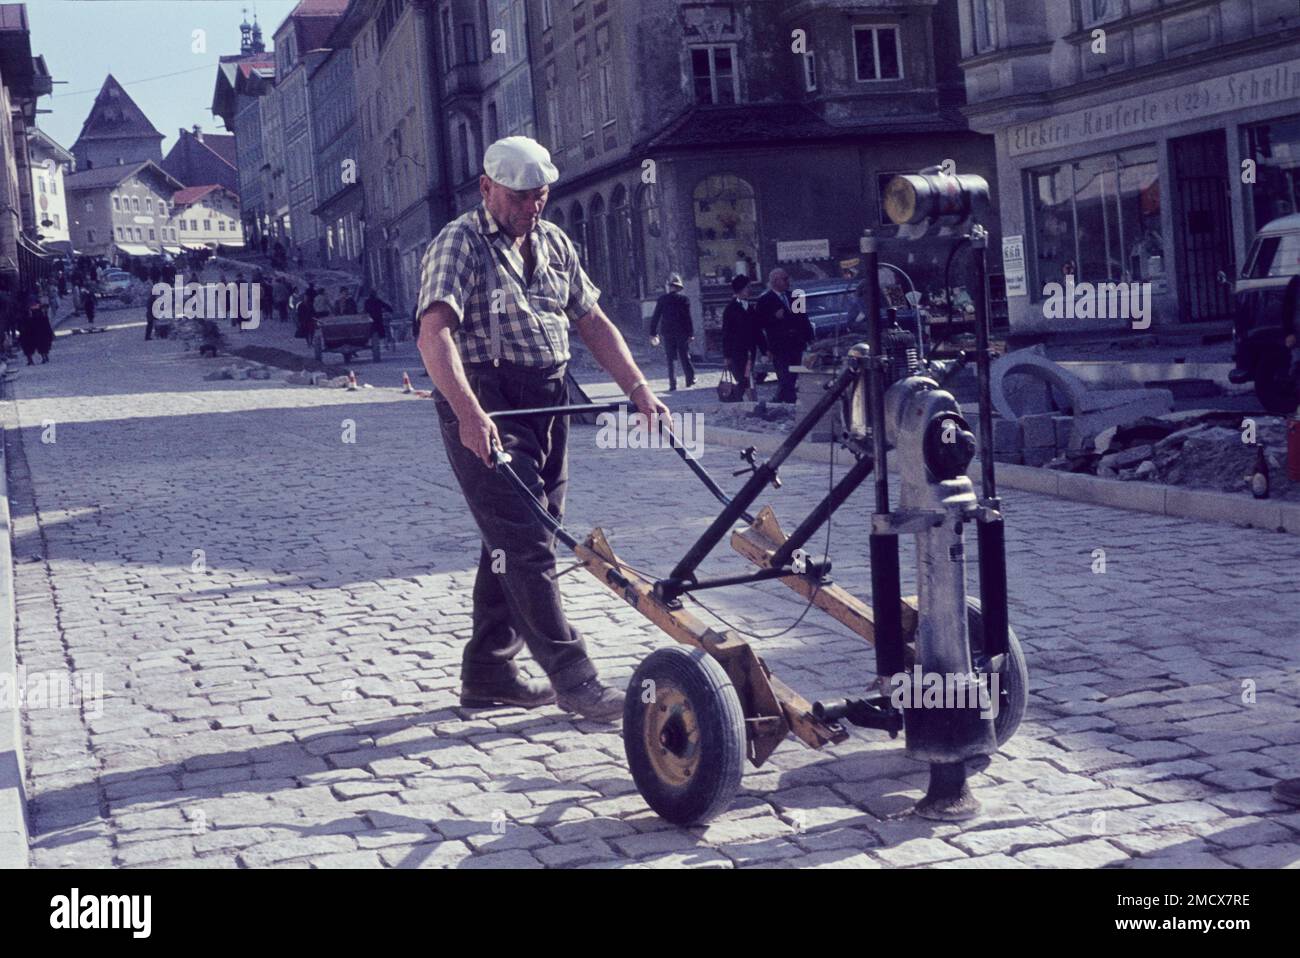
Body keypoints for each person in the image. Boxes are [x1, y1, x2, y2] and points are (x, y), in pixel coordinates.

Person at [415, 135, 668, 720]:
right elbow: (434, 334)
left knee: (516, 537)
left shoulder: (553, 242)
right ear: (486, 188)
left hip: (548, 401)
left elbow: (593, 319)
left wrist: (638, 389)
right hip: (488, 401)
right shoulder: (460, 243)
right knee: (527, 541)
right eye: (520, 197)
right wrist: (467, 412)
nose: (532, 208)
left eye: (541, 196)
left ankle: (489, 671)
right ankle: (575, 679)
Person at [755, 267, 812, 403]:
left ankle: (778, 400)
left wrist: (809, 337)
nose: (788, 282)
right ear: (775, 281)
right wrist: (774, 317)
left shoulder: (795, 297)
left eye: (788, 278)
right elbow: (759, 325)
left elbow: (803, 318)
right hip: (779, 346)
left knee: (793, 376)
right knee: (784, 376)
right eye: (784, 279)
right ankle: (790, 403)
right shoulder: (765, 300)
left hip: (796, 343)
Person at [649, 273, 695, 391]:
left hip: (668, 333)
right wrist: (691, 334)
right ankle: (689, 379)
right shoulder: (684, 300)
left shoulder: (662, 299)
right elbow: (687, 318)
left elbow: (656, 316)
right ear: (679, 287)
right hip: (682, 332)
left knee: (671, 358)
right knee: (684, 356)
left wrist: (653, 332)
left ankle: (672, 384)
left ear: (669, 287)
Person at [722, 274, 763, 399]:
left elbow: (757, 330)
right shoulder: (730, 309)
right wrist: (727, 355)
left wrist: (765, 349)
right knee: (742, 378)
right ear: (740, 289)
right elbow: (726, 334)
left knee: (748, 376)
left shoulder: (750, 308)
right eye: (747, 287)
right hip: (737, 351)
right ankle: (738, 400)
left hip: (750, 350)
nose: (750, 290)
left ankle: (749, 400)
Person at [19, 295, 53, 364]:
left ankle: (44, 356)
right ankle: (30, 359)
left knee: (41, 337)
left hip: (36, 317)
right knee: (26, 338)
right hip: (26, 317)